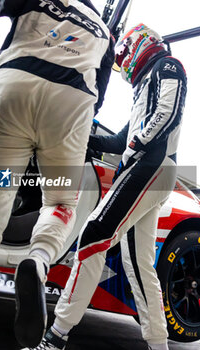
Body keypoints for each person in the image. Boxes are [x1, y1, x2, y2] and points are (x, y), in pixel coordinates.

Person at [26, 24, 187, 350]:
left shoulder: (167, 66)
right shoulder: (144, 85)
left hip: (149, 165)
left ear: (140, 45)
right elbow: (117, 140)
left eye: (124, 57)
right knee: (139, 266)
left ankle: (55, 336)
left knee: (94, 232)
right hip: (150, 168)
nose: (124, 65)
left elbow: (166, 113)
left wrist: (139, 143)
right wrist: (84, 141)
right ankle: (159, 345)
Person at [0, 0, 114, 348]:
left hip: (14, 87)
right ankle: (39, 258)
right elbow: (100, 98)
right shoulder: (103, 30)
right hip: (70, 104)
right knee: (61, 201)